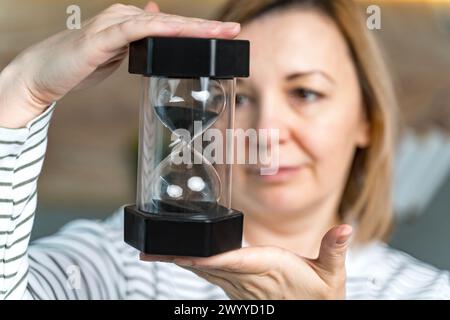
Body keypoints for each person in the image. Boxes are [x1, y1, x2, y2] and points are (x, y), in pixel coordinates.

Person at [0, 0, 449, 300]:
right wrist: (24, 88)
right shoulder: (113, 265)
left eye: (306, 93)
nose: (268, 132)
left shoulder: (429, 291)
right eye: (240, 98)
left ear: (366, 121)